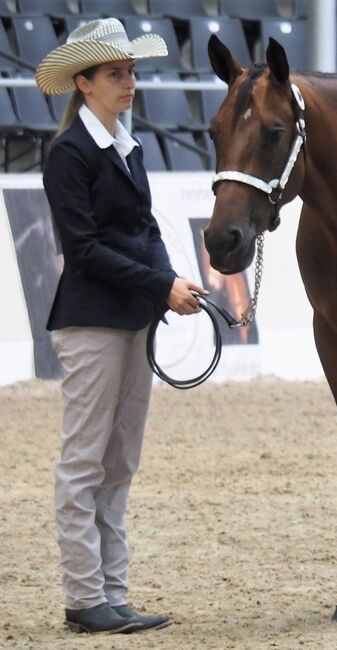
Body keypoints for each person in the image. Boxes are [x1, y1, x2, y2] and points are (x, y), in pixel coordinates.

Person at [36, 18, 207, 634]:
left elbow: (146, 231)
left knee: (119, 463)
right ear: (83, 83)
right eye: (116, 74)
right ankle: (85, 597)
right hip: (90, 323)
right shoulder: (70, 155)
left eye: (130, 72)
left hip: (131, 317)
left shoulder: (124, 146)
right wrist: (159, 285)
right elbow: (83, 250)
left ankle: (111, 593)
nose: (129, 82)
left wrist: (171, 284)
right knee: (85, 462)